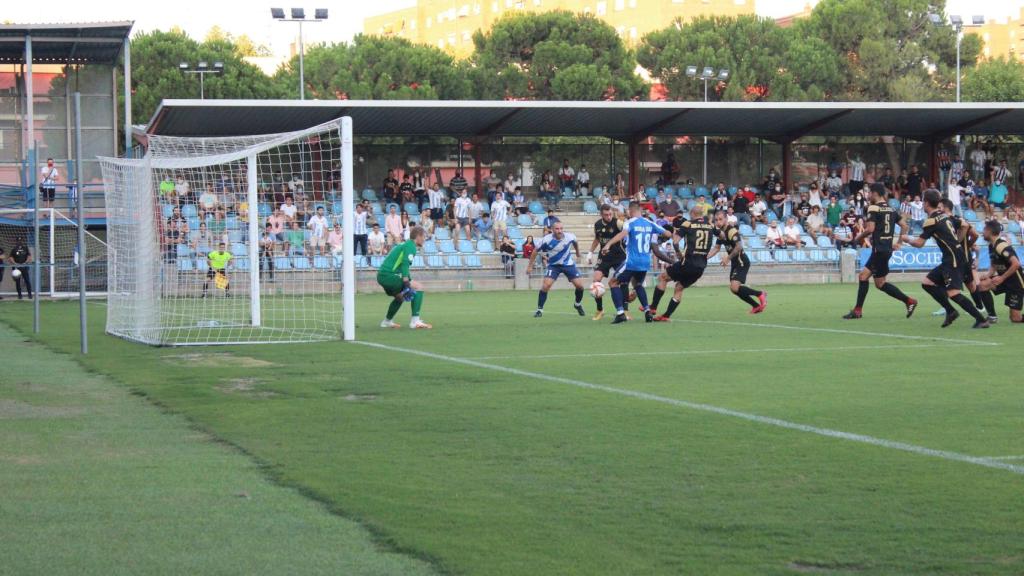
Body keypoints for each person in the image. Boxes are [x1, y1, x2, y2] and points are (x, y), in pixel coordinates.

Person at [899, 189, 989, 328]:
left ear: (926, 203)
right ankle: (951, 311)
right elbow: (964, 225)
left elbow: (919, 244)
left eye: (923, 201)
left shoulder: (931, 221)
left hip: (952, 259)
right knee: (927, 283)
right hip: (955, 256)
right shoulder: (945, 215)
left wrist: (907, 239)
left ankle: (981, 319)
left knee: (953, 293)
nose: (923, 204)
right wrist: (958, 242)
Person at [842, 184, 917, 320]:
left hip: (879, 250)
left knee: (863, 277)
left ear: (875, 193)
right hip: (886, 249)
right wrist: (898, 243)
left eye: (869, 192)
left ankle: (858, 311)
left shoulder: (874, 207)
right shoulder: (891, 209)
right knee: (880, 283)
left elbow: (870, 229)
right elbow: (905, 226)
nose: (869, 195)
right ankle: (909, 301)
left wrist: (858, 238)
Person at [601, 202, 672, 324]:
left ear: (630, 210)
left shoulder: (630, 222)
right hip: (645, 262)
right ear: (640, 210)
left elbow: (622, 234)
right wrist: (658, 239)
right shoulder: (649, 223)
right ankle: (648, 312)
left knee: (613, 282)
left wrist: (608, 244)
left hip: (631, 261)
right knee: (637, 284)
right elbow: (668, 233)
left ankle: (620, 313)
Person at [649, 207, 717, 322]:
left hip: (688, 263)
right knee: (679, 288)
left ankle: (653, 307)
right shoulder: (710, 225)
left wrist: (679, 254)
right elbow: (722, 236)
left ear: (692, 214)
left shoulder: (688, 224)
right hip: (700, 267)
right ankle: (666, 315)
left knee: (662, 277)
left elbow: (675, 242)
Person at [707, 209, 767, 313]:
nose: (718, 222)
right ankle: (756, 306)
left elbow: (739, 247)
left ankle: (760, 294)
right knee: (734, 289)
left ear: (726, 219)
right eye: (716, 220)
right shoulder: (721, 233)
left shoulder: (731, 231)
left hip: (741, 261)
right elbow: (716, 248)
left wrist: (727, 258)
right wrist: (704, 257)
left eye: (720, 219)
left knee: (734, 287)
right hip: (735, 262)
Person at [527, 221, 586, 318]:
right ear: (552, 230)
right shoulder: (546, 240)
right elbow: (535, 251)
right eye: (557, 229)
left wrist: (578, 253)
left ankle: (577, 304)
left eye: (561, 228)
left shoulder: (570, 236)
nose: (560, 231)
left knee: (580, 286)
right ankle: (539, 310)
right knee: (546, 286)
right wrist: (530, 266)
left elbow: (575, 242)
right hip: (553, 266)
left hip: (568, 264)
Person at [377, 226, 431, 329]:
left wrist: (407, 279)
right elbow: (405, 265)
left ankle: (387, 321)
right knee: (418, 287)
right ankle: (415, 321)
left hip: (382, 276)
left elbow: (401, 265)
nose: (424, 239)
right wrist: (406, 281)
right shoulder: (411, 246)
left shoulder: (405, 244)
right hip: (390, 276)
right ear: (418, 236)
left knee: (400, 297)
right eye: (423, 236)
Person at [976, 221, 1023, 323]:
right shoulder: (991, 246)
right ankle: (992, 317)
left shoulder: (1001, 245)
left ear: (989, 231)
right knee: (982, 285)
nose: (982, 232)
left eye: (984, 230)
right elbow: (994, 264)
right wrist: (988, 275)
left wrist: (1002, 278)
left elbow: (1016, 264)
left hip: (1016, 283)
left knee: (1015, 318)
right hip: (1004, 280)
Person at [587, 205, 626, 321]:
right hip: (604, 257)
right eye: (606, 215)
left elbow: (627, 232)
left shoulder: (618, 223)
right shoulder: (598, 225)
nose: (608, 217)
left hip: (619, 256)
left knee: (622, 282)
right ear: (601, 214)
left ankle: (625, 310)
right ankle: (600, 309)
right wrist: (590, 252)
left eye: (610, 214)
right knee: (596, 281)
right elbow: (597, 239)